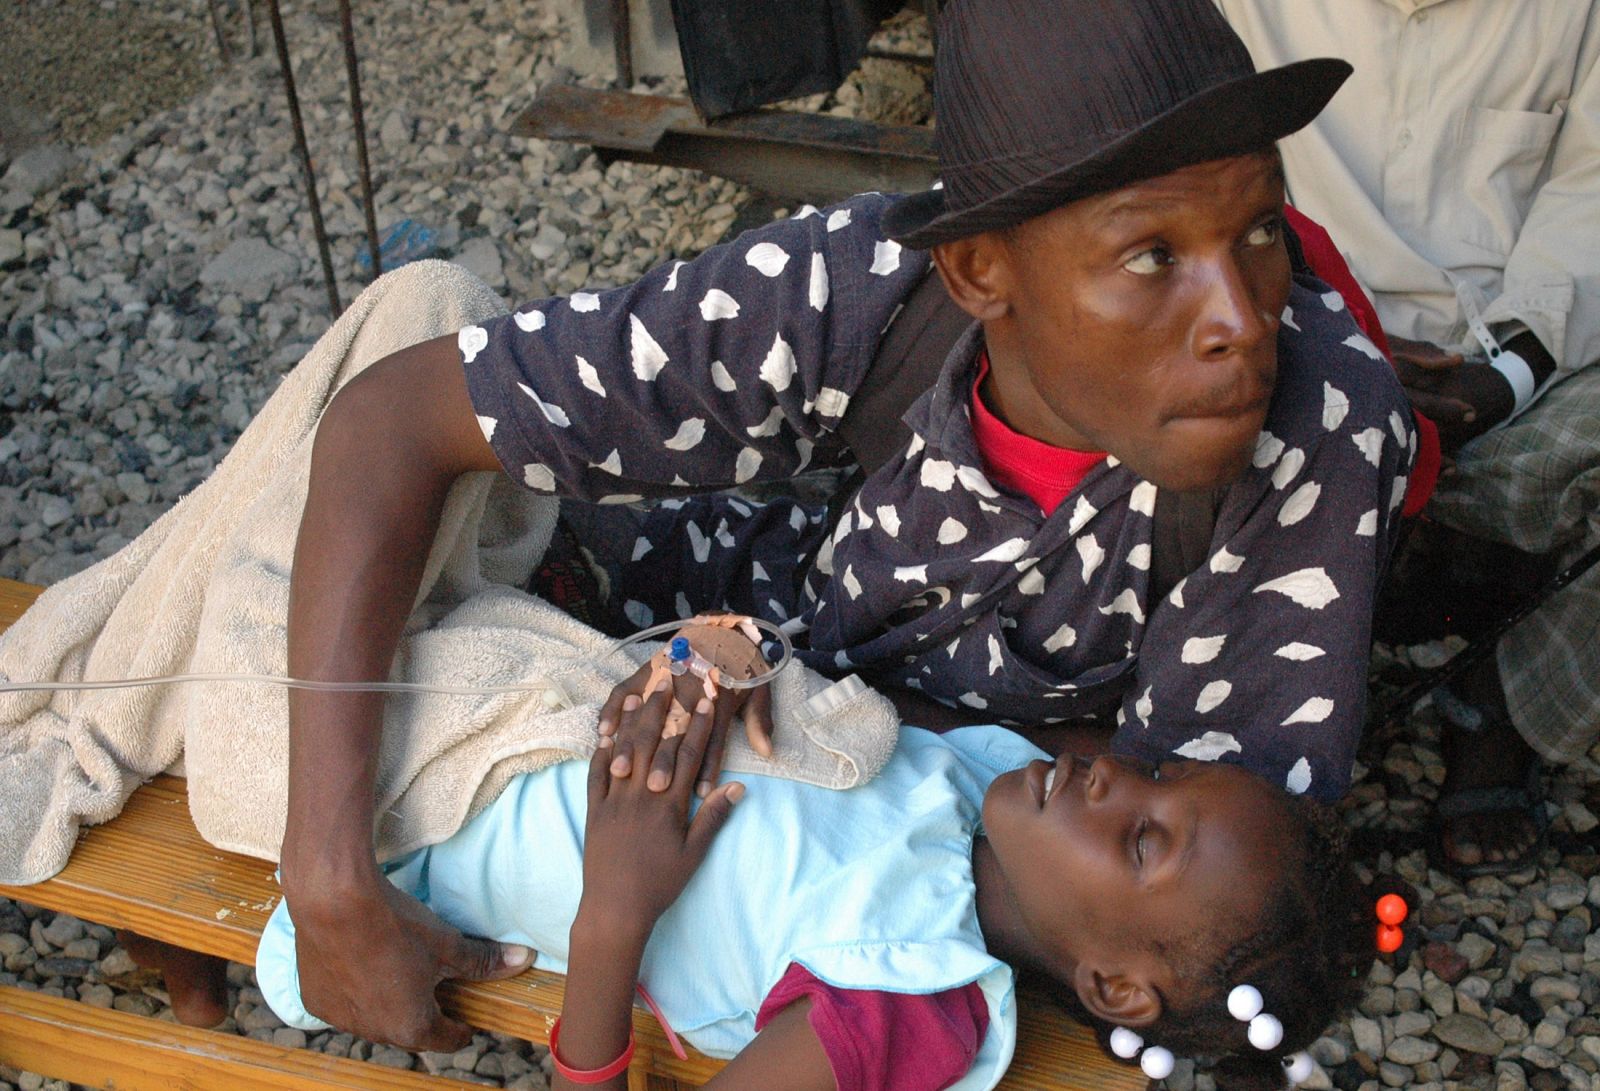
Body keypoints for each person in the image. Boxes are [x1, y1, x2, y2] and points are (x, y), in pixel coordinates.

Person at [272, 0, 1417, 1051]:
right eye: (1152, 255)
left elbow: (1206, 893)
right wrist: (326, 875)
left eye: (1262, 229)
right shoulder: (862, 280)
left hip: (955, 836)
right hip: (762, 640)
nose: (1242, 318)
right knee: (404, 344)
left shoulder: (1315, 423)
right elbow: (391, 417)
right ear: (978, 269)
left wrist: (800, 693)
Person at [256, 676, 1366, 1091]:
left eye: (1139, 841)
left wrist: (614, 915)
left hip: (399, 864)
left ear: (1116, 988)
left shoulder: (907, 994)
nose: (1115, 777)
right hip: (495, 706)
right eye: (1160, 773)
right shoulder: (983, 778)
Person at [1214, 0, 1600, 876]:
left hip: (1513, 367)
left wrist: (1504, 375)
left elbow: (1593, 202)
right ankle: (1237, 727)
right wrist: (1337, 347)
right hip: (1285, 342)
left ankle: (1505, 708)